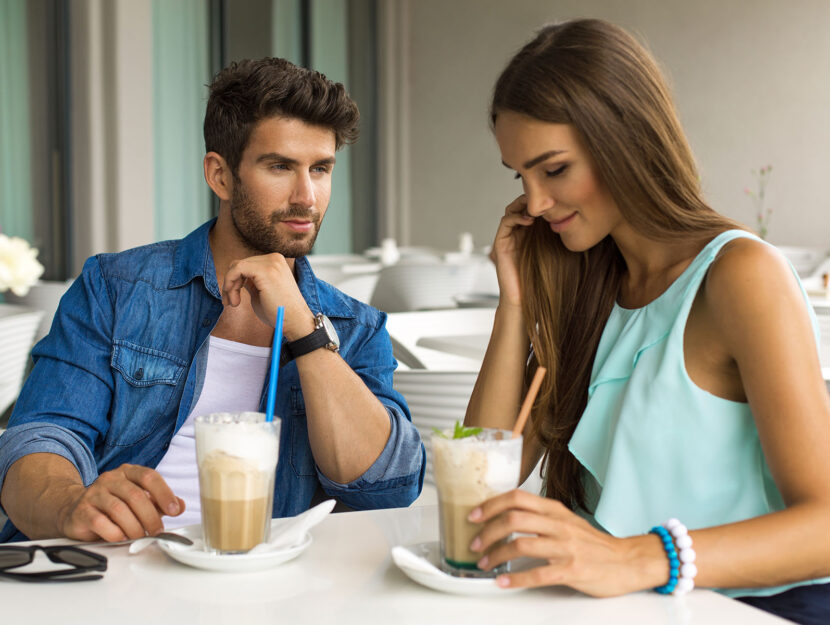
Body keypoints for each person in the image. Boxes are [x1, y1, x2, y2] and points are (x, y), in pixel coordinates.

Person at [463, 19, 830, 624]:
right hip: (618, 609)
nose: (533, 204)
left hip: (748, 611)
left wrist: (636, 559)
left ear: (623, 141)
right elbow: (479, 485)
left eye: (553, 169)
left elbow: (823, 526)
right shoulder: (590, 285)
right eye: (519, 176)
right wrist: (516, 303)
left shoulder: (739, 276)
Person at [0, 57, 424, 543]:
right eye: (280, 166)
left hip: (261, 587)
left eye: (321, 169)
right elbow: (40, 438)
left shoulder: (354, 326)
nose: (307, 196)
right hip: (114, 569)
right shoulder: (116, 288)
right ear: (220, 175)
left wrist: (306, 331)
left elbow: (389, 486)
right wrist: (68, 504)